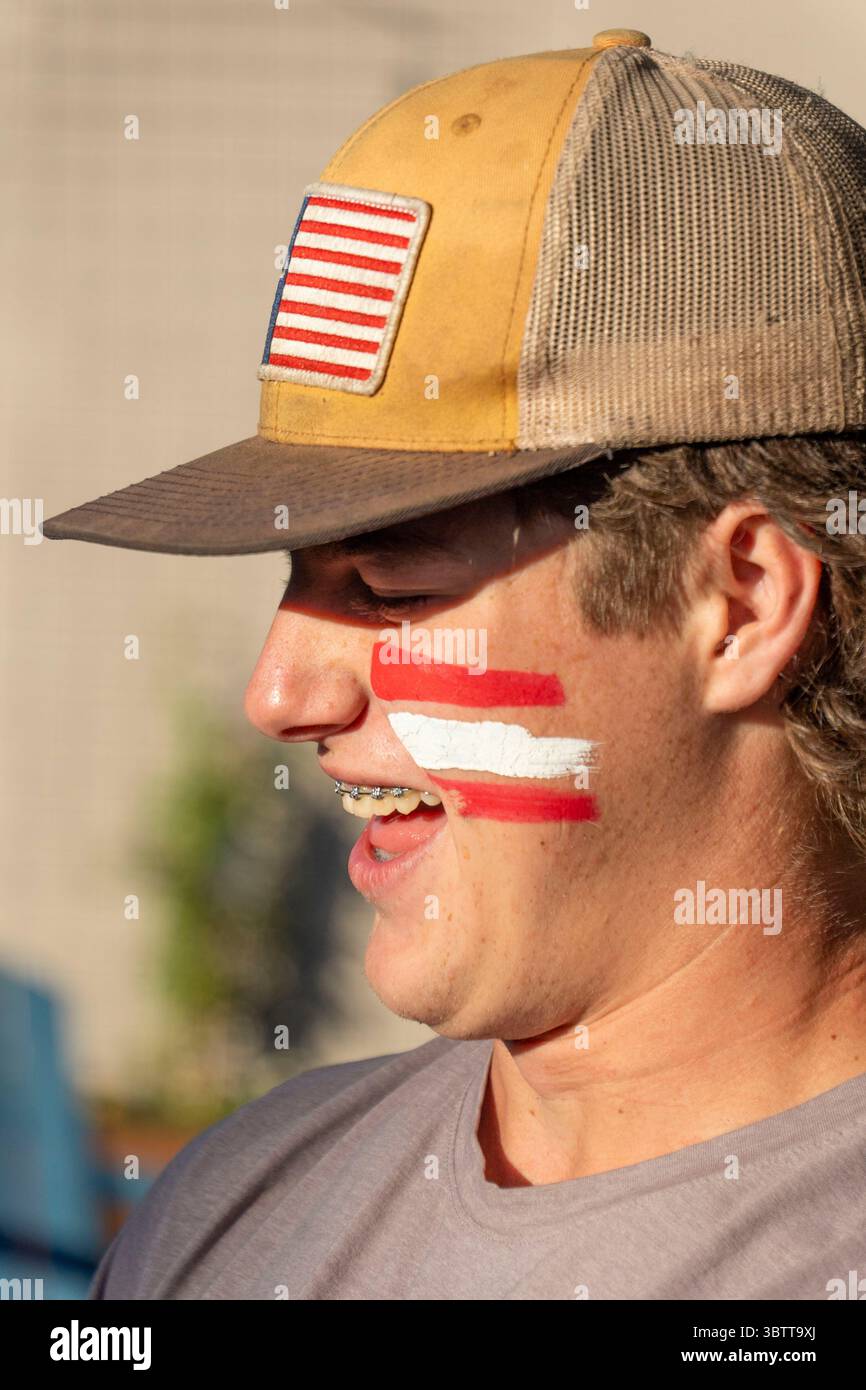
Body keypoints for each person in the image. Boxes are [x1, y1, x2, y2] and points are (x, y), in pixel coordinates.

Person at [42, 29, 866, 1300]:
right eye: (293, 579)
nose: (280, 693)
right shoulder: (230, 1211)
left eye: (392, 588)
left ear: (740, 605)